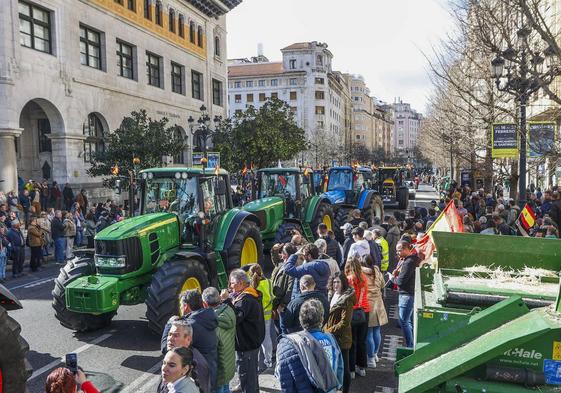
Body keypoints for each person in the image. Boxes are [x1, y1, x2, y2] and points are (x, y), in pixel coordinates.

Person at [275, 299, 343, 393]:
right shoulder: (330, 338)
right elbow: (340, 368)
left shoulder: (289, 343)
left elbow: (282, 376)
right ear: (322, 318)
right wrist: (338, 388)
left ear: (300, 319)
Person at [161, 290, 218, 391]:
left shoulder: (191, 325)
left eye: (181, 305)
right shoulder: (206, 317)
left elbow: (167, 349)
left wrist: (170, 324)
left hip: (199, 377)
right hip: (211, 369)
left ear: (186, 306)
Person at [220, 269, 265, 393]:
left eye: (232, 283)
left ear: (240, 283)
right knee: (250, 375)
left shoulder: (246, 299)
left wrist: (226, 300)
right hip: (251, 343)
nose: (230, 286)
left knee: (247, 377)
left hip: (247, 345)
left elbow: (236, 318)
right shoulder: (250, 294)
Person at [324, 272, 355, 393]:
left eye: (338, 282)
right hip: (331, 336)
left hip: (342, 338)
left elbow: (345, 322)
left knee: (344, 367)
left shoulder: (347, 300)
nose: (336, 284)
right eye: (334, 282)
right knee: (334, 366)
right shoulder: (332, 294)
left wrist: (328, 331)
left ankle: (345, 390)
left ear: (343, 283)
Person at [202, 287, 236, 393]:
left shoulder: (212, 322)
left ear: (205, 304)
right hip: (229, 362)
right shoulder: (229, 310)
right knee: (226, 388)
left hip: (219, 368)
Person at [161, 320, 210, 393]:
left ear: (188, 339)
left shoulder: (198, 365)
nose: (170, 339)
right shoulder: (173, 355)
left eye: (176, 335)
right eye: (169, 334)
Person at [390, 240, 420, 348]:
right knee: (408, 321)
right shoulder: (411, 260)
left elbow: (401, 282)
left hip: (406, 294)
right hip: (409, 294)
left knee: (403, 321)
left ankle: (410, 345)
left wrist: (392, 278)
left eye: (399, 251)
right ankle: (411, 343)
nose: (397, 253)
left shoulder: (408, 262)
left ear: (406, 249)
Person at [345, 256, 370, 378]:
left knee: (352, 342)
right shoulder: (364, 278)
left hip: (352, 312)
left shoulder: (348, 279)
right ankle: (362, 367)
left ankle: (352, 370)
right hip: (364, 311)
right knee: (362, 341)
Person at [361, 254, 387, 368]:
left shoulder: (362, 274)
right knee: (377, 331)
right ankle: (375, 354)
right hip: (379, 303)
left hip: (368, 305)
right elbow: (382, 285)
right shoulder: (377, 271)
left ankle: (370, 358)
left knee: (369, 334)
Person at [248, 263, 275, 372]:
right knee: (266, 337)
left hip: (256, 315)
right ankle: (268, 360)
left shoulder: (252, 285)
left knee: (255, 338)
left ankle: (254, 360)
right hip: (267, 314)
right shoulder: (269, 282)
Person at [271, 243, 297, 328]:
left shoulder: (291, 269)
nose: (280, 254)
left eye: (282, 252)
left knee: (281, 329)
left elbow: (290, 289)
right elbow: (276, 261)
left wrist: (282, 305)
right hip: (275, 303)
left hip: (281, 307)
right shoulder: (281, 264)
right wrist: (274, 250)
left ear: (286, 255)